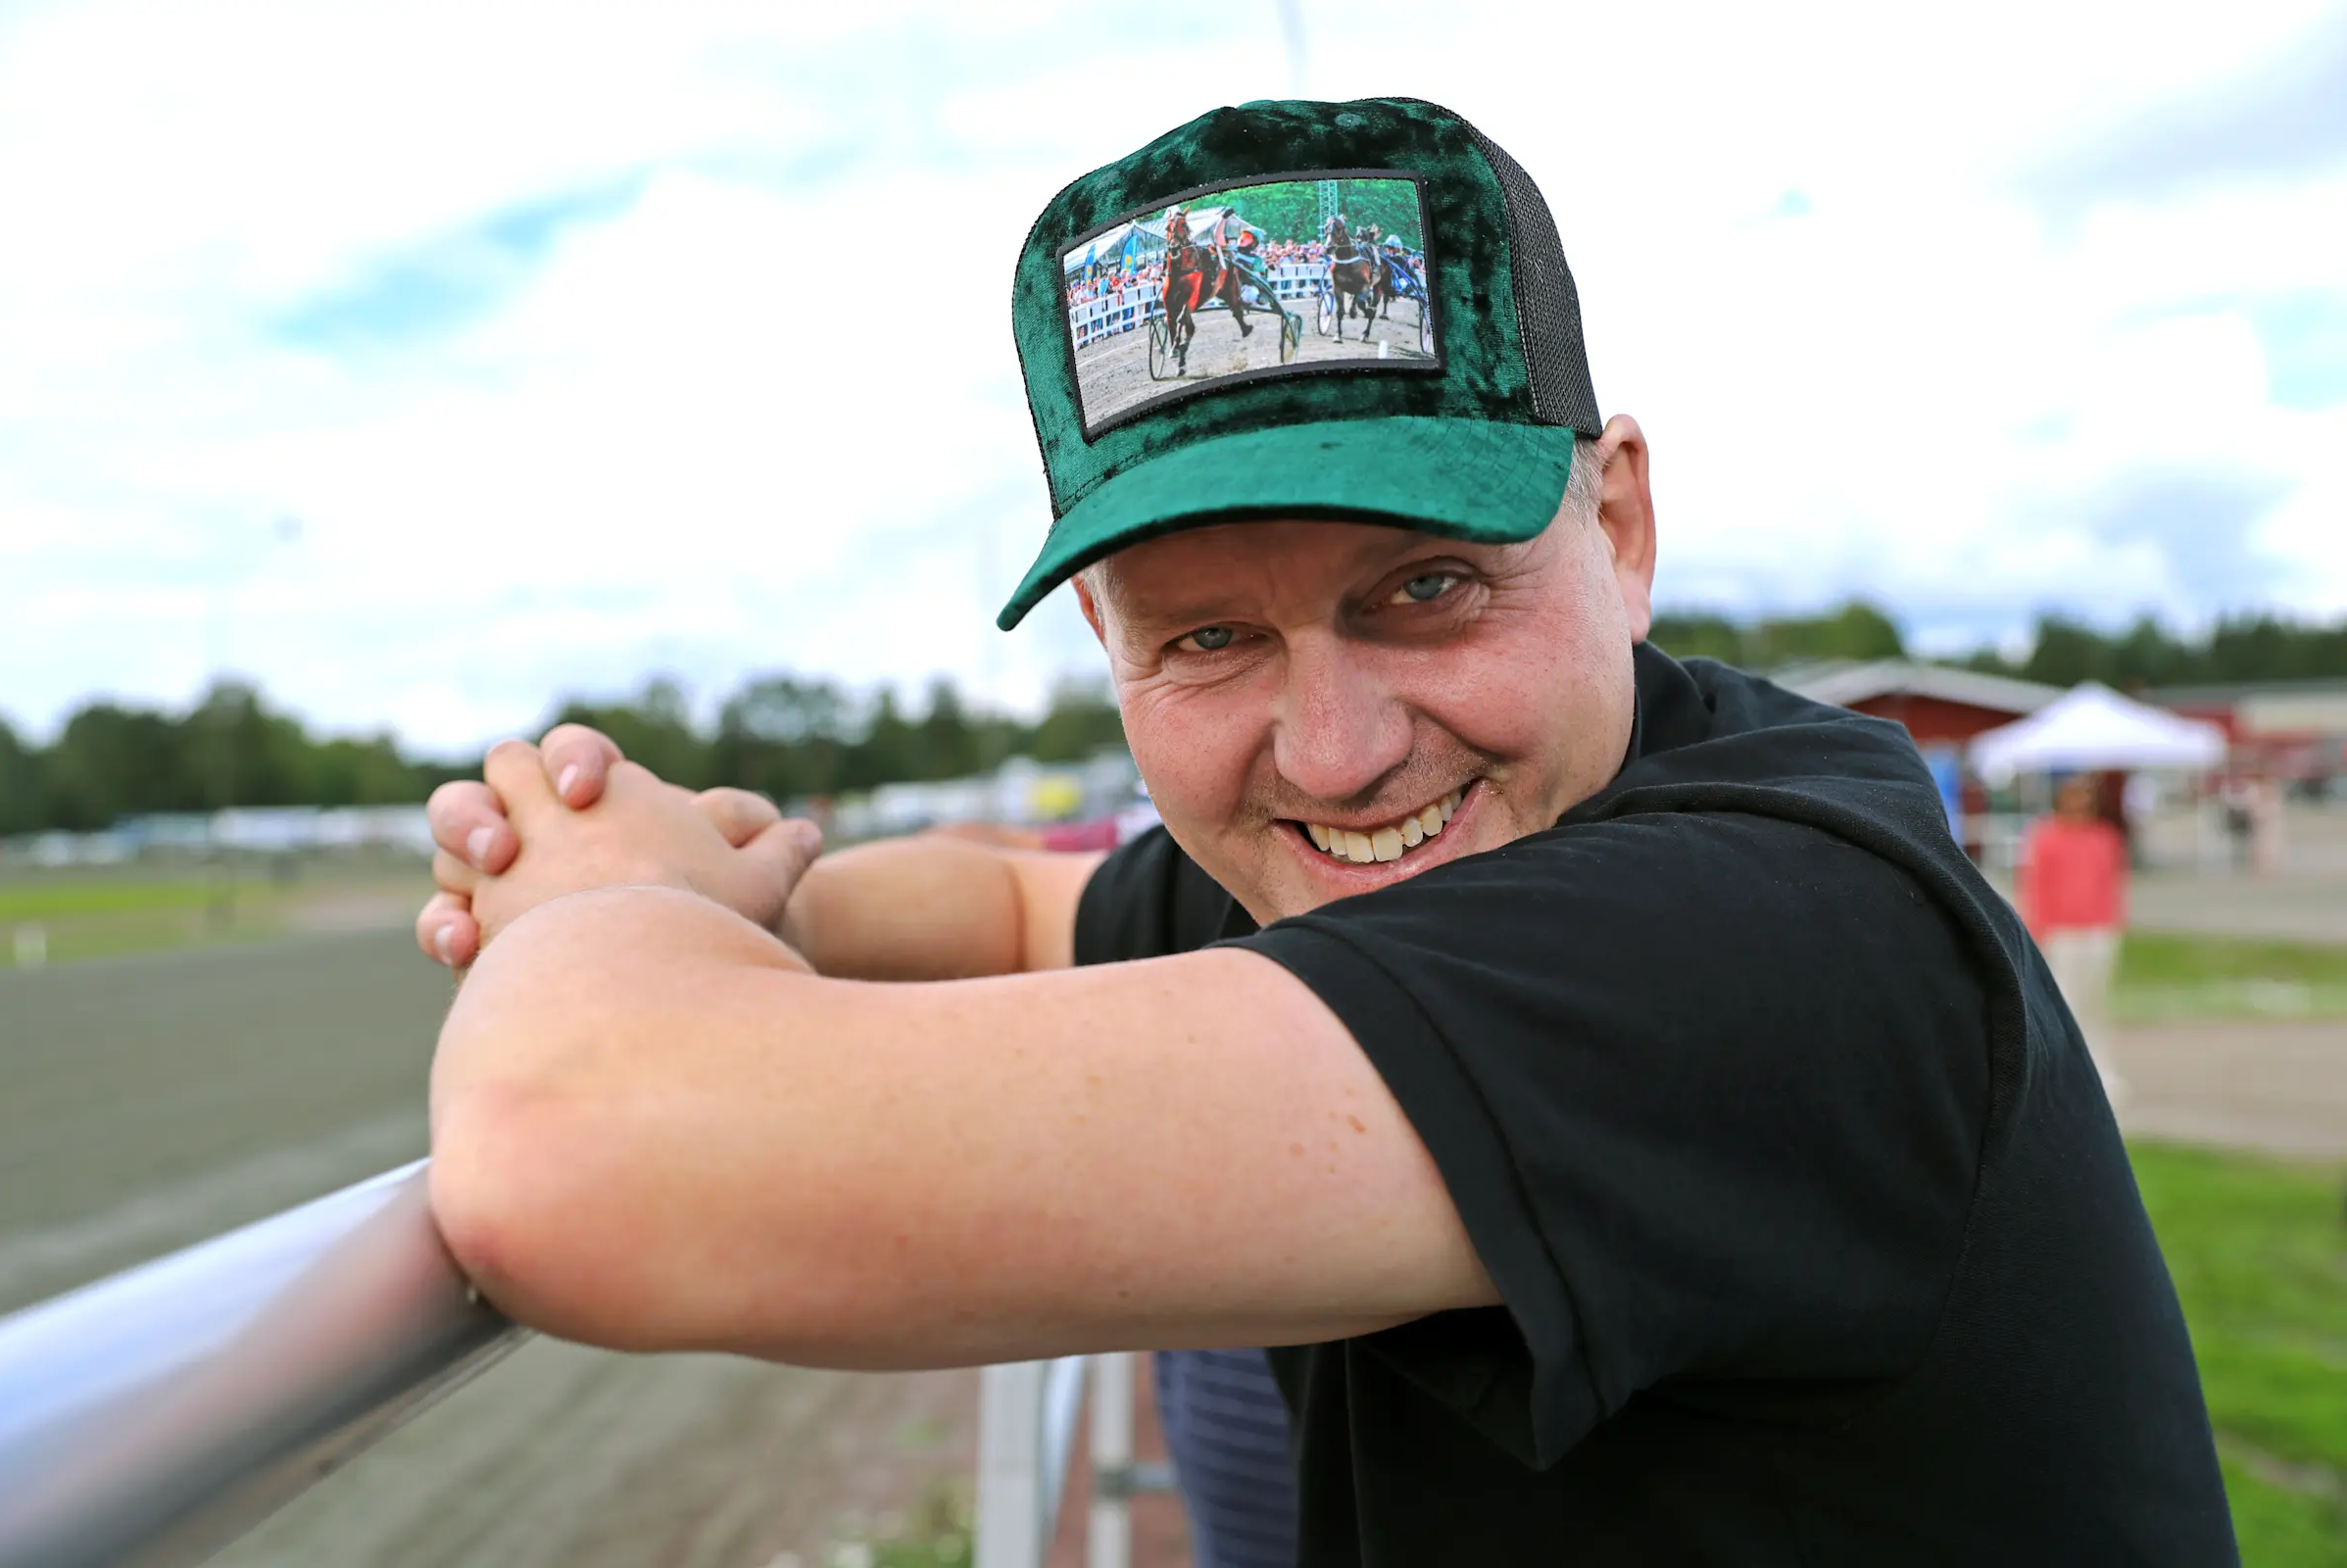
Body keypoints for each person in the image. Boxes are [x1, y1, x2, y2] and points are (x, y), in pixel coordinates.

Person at [416, 98, 2234, 1564]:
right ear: (1109, 652)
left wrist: (599, 926)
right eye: (1209, 638)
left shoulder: (1766, 939)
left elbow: (575, 1159)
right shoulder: (1439, 856)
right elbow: (1007, 902)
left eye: (1427, 586)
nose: (1337, 753)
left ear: (1617, 523)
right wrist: (716, 886)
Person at [2019, 773, 2130, 1102]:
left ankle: (2102, 1070)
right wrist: (2040, 929)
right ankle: (2066, 1072)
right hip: (2062, 931)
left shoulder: (2104, 837)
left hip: (2098, 929)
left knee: (2095, 1003)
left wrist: (2113, 922)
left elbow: (2112, 883)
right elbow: (2037, 885)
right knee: (2067, 1002)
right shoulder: (2046, 836)